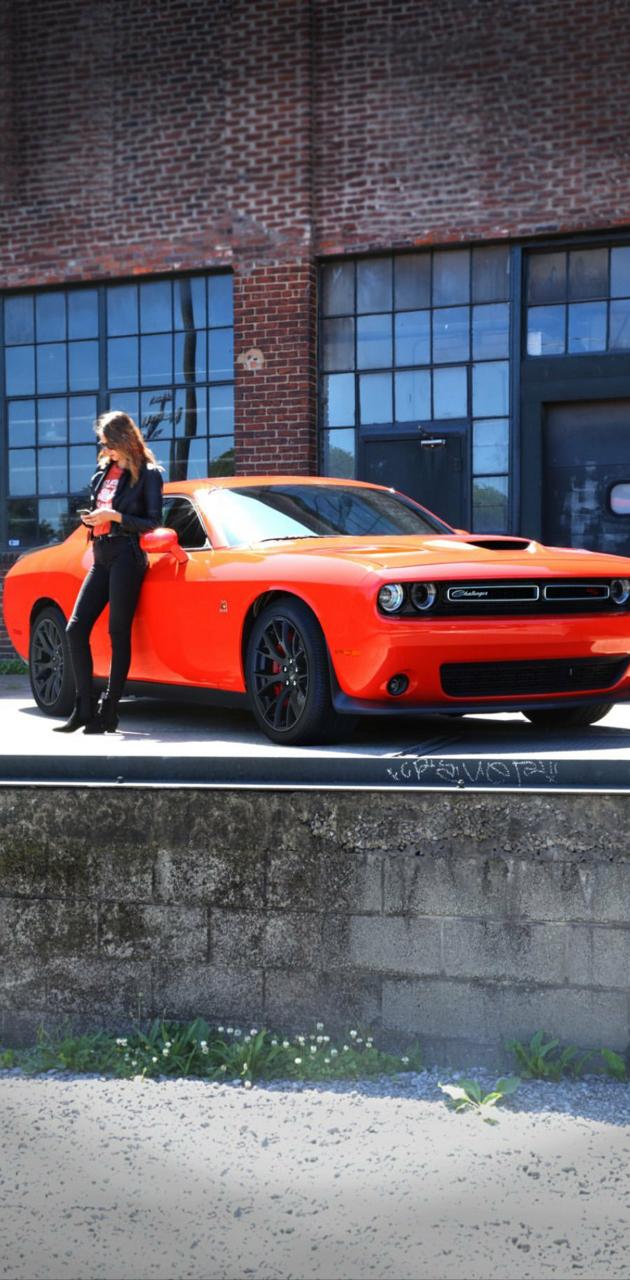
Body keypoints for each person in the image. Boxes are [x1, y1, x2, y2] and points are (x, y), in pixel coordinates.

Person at [55, 410, 163, 734]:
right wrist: (93, 519)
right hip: (101, 554)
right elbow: (103, 512)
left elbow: (154, 522)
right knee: (75, 629)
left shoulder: (149, 474)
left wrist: (115, 516)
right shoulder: (102, 473)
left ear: (122, 439)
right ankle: (83, 708)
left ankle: (109, 711)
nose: (104, 448)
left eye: (107, 442)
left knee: (118, 633)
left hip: (127, 555)